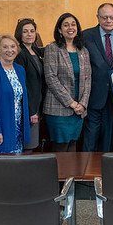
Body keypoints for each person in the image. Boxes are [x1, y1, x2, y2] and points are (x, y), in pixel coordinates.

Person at [83, 3, 113, 152]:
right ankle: (86, 173)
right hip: (93, 95)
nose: (108, 20)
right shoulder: (86, 36)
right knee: (90, 138)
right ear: (98, 18)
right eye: (104, 17)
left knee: (109, 139)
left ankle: (104, 171)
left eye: (111, 17)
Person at [43, 13, 92, 152]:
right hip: (59, 110)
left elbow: (88, 79)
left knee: (72, 147)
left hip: (78, 111)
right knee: (61, 149)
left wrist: (82, 104)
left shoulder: (83, 51)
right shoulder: (52, 49)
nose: (70, 27)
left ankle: (71, 174)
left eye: (73, 24)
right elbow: (51, 78)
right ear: (59, 30)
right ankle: (59, 175)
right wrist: (72, 103)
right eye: (66, 25)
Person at [0, 35, 30, 153]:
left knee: (16, 167)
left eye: (13, 46)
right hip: (1, 128)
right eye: (5, 47)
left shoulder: (20, 70)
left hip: (17, 129)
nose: (10, 50)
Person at [14, 18, 45, 151]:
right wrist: (31, 111)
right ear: (19, 34)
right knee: (28, 145)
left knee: (32, 145)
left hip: (37, 105)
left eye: (32, 31)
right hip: (28, 108)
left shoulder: (36, 52)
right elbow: (22, 85)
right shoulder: (19, 54)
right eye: (25, 31)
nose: (29, 34)